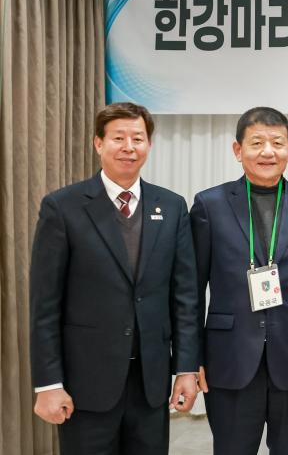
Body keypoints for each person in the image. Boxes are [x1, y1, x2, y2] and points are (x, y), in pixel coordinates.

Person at [30, 102, 199, 455]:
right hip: (85, 384)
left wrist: (185, 369)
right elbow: (45, 305)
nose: (128, 147)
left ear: (149, 145)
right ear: (98, 143)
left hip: (150, 384)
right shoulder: (63, 207)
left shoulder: (171, 207)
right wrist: (48, 383)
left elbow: (184, 297)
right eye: (118, 138)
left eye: (137, 138)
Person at [190, 107, 288, 455]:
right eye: (257, 142)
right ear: (237, 149)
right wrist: (190, 357)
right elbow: (191, 291)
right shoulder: (209, 205)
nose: (268, 151)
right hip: (228, 357)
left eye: (277, 142)